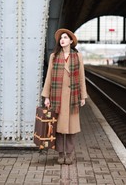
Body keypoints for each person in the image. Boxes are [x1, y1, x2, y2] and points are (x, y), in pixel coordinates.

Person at [41, 28, 88, 165]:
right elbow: (49, 76)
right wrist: (46, 96)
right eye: (61, 37)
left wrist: (83, 96)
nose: (62, 39)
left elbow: (81, 77)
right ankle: (60, 153)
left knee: (72, 128)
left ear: (71, 41)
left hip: (72, 97)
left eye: (66, 37)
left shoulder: (77, 56)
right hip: (58, 96)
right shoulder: (54, 56)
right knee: (59, 128)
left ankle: (70, 153)